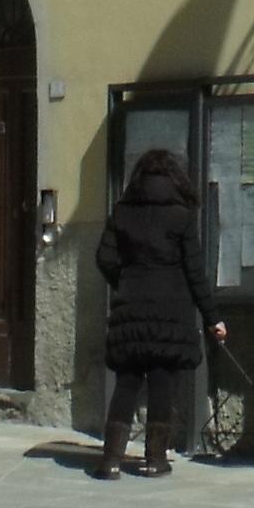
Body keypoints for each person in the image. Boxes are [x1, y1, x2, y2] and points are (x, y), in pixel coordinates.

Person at [91, 144, 223, 476]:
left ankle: (110, 461)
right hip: (171, 309)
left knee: (127, 380)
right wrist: (213, 318)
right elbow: (195, 272)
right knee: (163, 379)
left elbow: (104, 257)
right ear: (175, 179)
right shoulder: (181, 216)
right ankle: (154, 459)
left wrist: (125, 280)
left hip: (130, 307)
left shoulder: (122, 211)